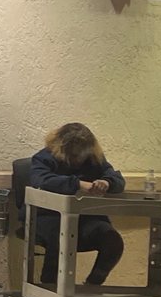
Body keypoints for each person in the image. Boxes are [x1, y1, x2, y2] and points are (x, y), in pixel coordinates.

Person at [30, 122, 125, 286]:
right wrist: (78, 184)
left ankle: (92, 285)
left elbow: (118, 180)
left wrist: (107, 182)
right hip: (48, 217)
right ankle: (49, 288)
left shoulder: (94, 159)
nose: (78, 160)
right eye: (74, 155)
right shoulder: (44, 158)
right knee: (60, 236)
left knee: (112, 239)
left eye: (82, 155)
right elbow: (41, 180)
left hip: (85, 218)